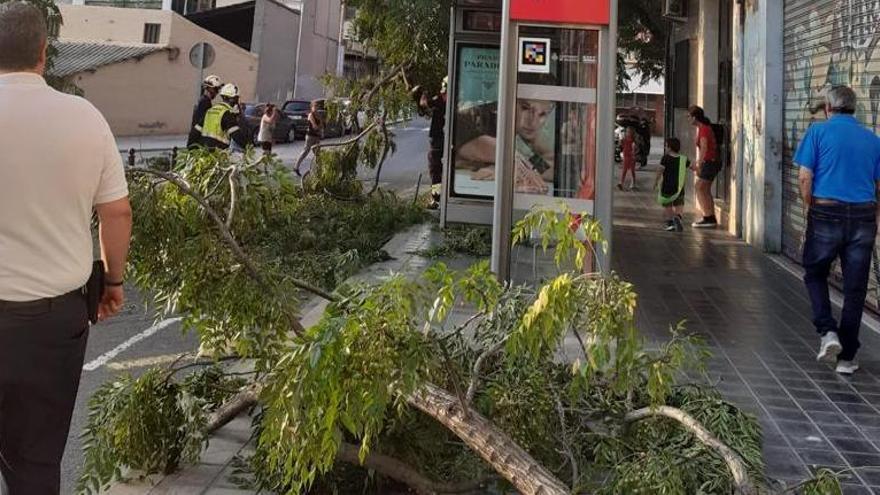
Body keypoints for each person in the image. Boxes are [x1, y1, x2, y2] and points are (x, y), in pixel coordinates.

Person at [0, 3, 133, 492]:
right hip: (53, 323)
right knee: (33, 461)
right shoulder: (84, 118)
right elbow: (117, 212)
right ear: (43, 51)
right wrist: (113, 281)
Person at [795, 85, 880, 375]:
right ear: (854, 108)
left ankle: (827, 331)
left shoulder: (817, 133)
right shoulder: (873, 139)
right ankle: (848, 358)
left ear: (828, 109)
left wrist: (810, 207)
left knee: (815, 272)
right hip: (864, 215)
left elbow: (805, 178)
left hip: (826, 211)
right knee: (855, 289)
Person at [687, 105, 721, 228]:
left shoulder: (704, 129)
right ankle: (710, 217)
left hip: (710, 162)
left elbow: (705, 147)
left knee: (699, 187)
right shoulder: (703, 128)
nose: (688, 119)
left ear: (695, 117)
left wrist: (698, 164)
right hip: (711, 162)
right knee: (704, 189)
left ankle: (708, 217)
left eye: (689, 116)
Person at [194, 83, 249, 151]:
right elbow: (236, 135)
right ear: (232, 99)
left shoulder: (210, 110)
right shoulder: (227, 114)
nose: (236, 101)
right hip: (218, 154)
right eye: (236, 98)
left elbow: (196, 131)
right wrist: (248, 147)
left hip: (204, 151)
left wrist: (191, 147)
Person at [420, 77, 448, 208]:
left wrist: (423, 94)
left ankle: (437, 200)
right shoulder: (456, 103)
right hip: (445, 140)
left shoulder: (438, 101)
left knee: (435, 169)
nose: (443, 95)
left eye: (444, 93)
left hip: (438, 141)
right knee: (439, 170)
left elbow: (424, 104)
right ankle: (440, 197)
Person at [654, 137, 689, 232]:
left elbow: (660, 171)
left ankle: (671, 222)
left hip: (667, 187)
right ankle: (678, 217)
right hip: (679, 187)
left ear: (669, 147)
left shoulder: (665, 158)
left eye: (666, 146)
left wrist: (656, 182)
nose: (665, 148)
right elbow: (693, 167)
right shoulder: (683, 159)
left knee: (668, 205)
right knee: (679, 204)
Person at [187, 74, 222, 148]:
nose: (217, 93)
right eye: (215, 89)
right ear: (209, 88)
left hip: (196, 139)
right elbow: (202, 122)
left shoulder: (204, 100)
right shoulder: (205, 102)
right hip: (198, 140)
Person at [294, 100, 324, 176]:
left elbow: (321, 125)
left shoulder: (318, 115)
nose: (316, 108)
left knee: (318, 154)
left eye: (317, 106)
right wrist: (318, 128)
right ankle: (296, 167)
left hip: (317, 137)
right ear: (312, 107)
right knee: (305, 151)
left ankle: (319, 170)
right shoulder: (311, 115)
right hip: (310, 136)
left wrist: (320, 129)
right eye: (315, 106)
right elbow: (315, 126)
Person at [618, 126, 637, 191]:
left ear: (632, 133)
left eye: (629, 132)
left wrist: (634, 154)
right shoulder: (624, 139)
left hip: (631, 156)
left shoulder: (633, 141)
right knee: (624, 169)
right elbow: (621, 145)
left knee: (632, 170)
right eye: (627, 131)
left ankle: (633, 183)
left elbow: (634, 148)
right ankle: (621, 182)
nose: (627, 133)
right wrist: (620, 141)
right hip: (626, 156)